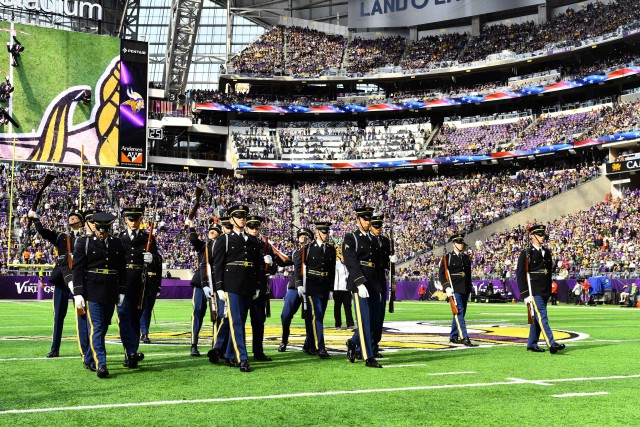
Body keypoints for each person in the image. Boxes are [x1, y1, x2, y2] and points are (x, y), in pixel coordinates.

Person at [29, 208, 92, 366]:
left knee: (82, 316)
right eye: (70, 217)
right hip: (62, 280)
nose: (72, 219)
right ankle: (54, 348)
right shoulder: (62, 236)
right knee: (58, 317)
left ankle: (85, 351)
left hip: (79, 280)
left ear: (81, 221)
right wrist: (35, 218)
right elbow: (43, 232)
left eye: (75, 217)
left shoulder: (87, 238)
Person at [72, 212, 126, 378]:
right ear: (94, 227)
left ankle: (89, 358)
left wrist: (122, 290)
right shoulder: (84, 242)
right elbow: (78, 268)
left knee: (103, 327)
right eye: (99, 230)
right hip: (92, 290)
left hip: (110, 290)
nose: (101, 233)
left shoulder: (117, 243)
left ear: (109, 229)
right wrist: (78, 293)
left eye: (105, 230)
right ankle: (100, 364)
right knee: (97, 326)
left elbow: (121, 268)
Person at [212, 204, 262, 372]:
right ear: (232, 219)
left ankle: (229, 355)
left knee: (240, 321)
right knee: (237, 321)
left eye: (244, 216)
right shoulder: (224, 239)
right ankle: (243, 358)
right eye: (239, 216)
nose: (242, 219)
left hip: (248, 285)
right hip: (232, 284)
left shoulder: (253, 240)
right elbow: (217, 264)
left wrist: (257, 286)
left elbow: (257, 266)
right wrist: (219, 287)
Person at [117, 206, 161, 369]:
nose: (133, 222)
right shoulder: (119, 238)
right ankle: (129, 351)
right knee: (124, 318)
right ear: (125, 220)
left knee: (135, 319)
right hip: (123, 283)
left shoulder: (147, 238)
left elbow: (157, 260)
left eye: (136, 219)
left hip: (141, 284)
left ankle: (132, 352)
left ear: (141, 220)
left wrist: (153, 259)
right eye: (130, 219)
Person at [245, 214, 293, 362]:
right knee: (238, 321)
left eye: (256, 227)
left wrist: (271, 263)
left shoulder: (264, 246)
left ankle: (258, 351)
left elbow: (271, 271)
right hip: (245, 288)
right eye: (251, 227)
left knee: (259, 322)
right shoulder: (242, 243)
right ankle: (236, 352)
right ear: (246, 228)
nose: (254, 230)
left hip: (261, 289)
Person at [343, 206, 383, 368]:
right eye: (365, 219)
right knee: (365, 320)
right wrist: (359, 283)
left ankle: (353, 342)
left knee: (374, 321)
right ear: (358, 220)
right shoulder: (351, 238)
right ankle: (368, 357)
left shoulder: (373, 239)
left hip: (374, 284)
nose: (368, 222)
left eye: (369, 219)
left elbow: (378, 263)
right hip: (361, 284)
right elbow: (351, 262)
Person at [516, 224, 565, 354]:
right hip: (534, 291)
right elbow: (520, 275)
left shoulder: (547, 252)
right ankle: (551, 343)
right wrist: (525, 294)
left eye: (543, 235)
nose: (542, 237)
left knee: (537, 318)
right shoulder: (526, 253)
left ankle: (532, 343)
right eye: (539, 235)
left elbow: (548, 273)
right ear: (532, 236)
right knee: (542, 316)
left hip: (544, 290)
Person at [296, 221, 336, 359]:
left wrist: (331, 288)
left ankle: (309, 343)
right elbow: (300, 267)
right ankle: (321, 347)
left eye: (327, 232)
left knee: (319, 316)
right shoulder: (308, 248)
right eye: (323, 232)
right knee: (317, 316)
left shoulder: (331, 249)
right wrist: (300, 283)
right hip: (312, 286)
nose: (326, 235)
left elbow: (331, 270)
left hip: (324, 286)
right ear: (318, 232)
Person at [187, 218, 221, 357]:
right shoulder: (204, 246)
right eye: (210, 232)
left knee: (216, 315)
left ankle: (215, 345)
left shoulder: (221, 246)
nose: (211, 233)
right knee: (198, 312)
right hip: (201, 283)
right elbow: (194, 240)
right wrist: (191, 227)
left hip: (216, 283)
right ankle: (194, 344)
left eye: (214, 232)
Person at [439, 233, 478, 347]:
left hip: (465, 288)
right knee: (459, 312)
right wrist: (447, 287)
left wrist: (470, 288)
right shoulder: (448, 258)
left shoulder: (466, 258)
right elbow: (442, 275)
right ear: (454, 244)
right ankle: (464, 336)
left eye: (462, 243)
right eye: (459, 243)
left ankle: (453, 336)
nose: (461, 245)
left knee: (460, 312)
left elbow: (469, 275)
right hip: (454, 288)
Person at [278, 227, 312, 352]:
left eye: (306, 235)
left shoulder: (314, 253)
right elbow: (286, 263)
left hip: (310, 287)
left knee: (310, 317)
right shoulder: (296, 253)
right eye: (301, 236)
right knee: (285, 315)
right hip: (295, 287)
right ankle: (284, 340)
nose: (303, 238)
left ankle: (309, 344)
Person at [369, 214, 396, 358]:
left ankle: (374, 346)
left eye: (379, 226)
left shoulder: (385, 241)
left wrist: (391, 262)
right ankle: (359, 344)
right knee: (370, 316)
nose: (378, 229)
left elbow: (386, 264)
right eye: (375, 226)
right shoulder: (368, 240)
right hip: (369, 280)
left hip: (380, 280)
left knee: (380, 316)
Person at [140, 253, 163, 344]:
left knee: (148, 310)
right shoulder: (142, 254)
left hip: (152, 284)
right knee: (144, 310)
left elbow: (159, 272)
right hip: (144, 283)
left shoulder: (157, 257)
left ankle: (145, 331)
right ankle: (144, 333)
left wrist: (158, 286)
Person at [333, 248, 354, 329]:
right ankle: (338, 324)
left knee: (348, 307)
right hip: (337, 289)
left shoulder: (349, 265)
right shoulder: (336, 264)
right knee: (337, 307)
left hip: (347, 289)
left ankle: (350, 324)